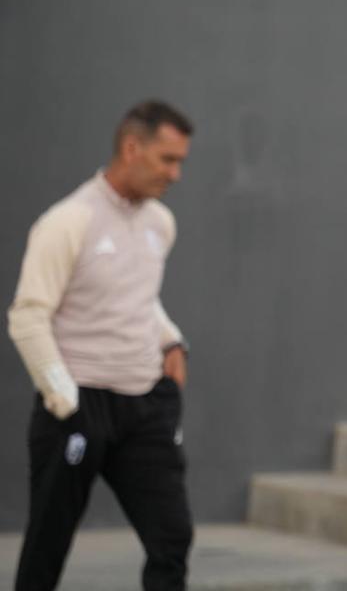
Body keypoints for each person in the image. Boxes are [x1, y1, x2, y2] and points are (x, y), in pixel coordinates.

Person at [8, 100, 195, 591]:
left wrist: (171, 340)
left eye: (180, 162)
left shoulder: (161, 224)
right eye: (167, 160)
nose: (176, 174)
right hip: (78, 403)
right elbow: (27, 316)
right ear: (131, 149)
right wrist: (63, 398)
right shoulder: (68, 222)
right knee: (47, 547)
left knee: (172, 539)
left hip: (143, 407)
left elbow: (137, 297)